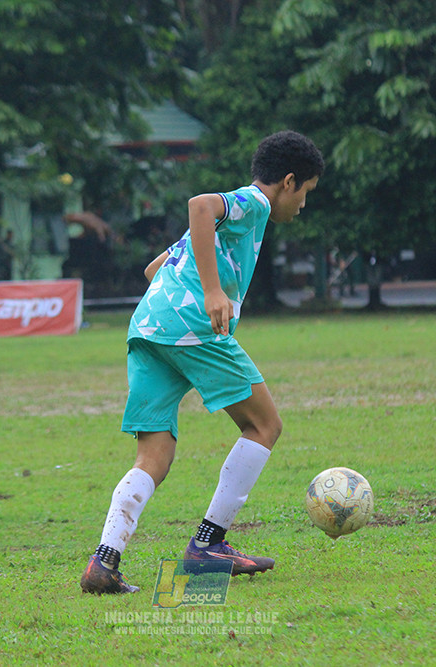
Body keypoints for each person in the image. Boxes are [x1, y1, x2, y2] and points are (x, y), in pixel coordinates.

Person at [80, 130, 324, 594]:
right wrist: (212, 292)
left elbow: (156, 269)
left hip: (148, 328)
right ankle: (208, 545)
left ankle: (104, 561)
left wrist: (198, 283)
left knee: (154, 455)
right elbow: (200, 205)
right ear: (288, 181)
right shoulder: (254, 203)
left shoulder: (223, 232)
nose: (303, 205)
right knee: (264, 426)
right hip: (191, 328)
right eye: (306, 193)